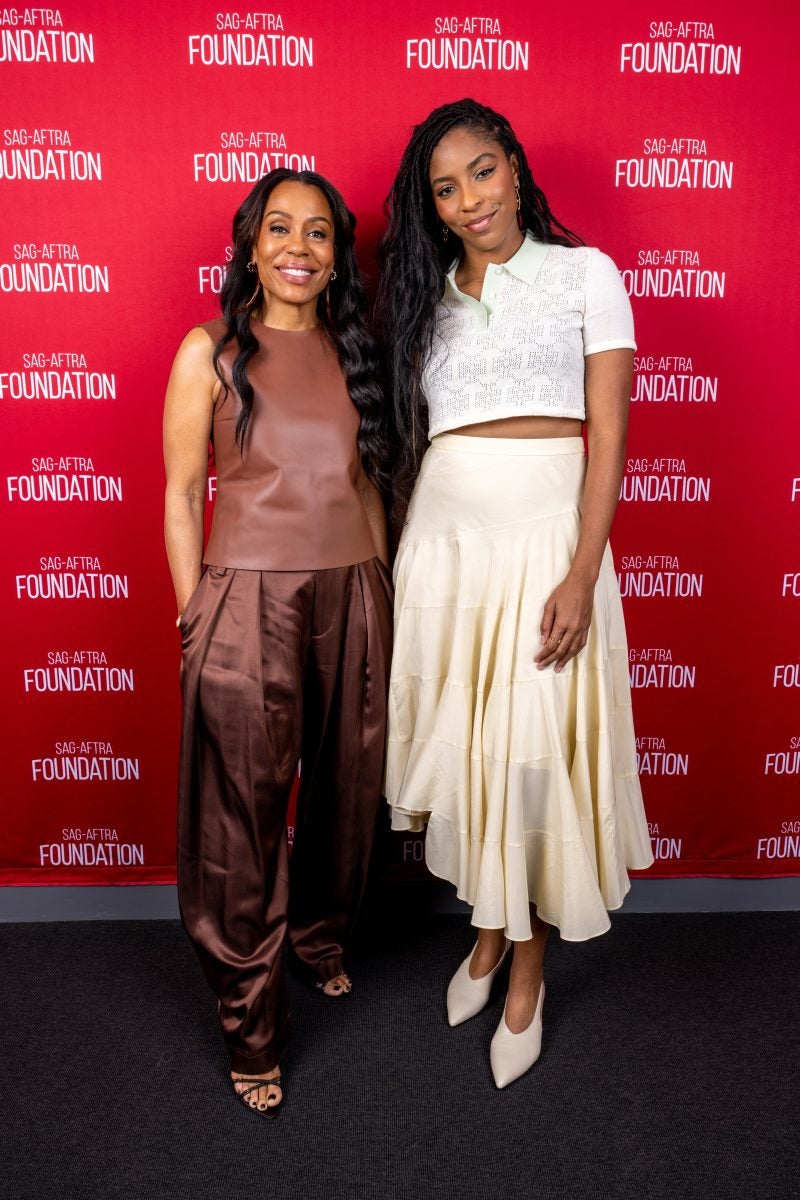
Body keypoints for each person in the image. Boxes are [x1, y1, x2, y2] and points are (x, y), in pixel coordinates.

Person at [377, 99, 653, 1088]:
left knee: (529, 760)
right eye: (445, 188)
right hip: (446, 549)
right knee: (472, 755)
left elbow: (607, 436)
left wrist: (581, 570)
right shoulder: (427, 300)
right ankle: (489, 932)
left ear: (515, 168)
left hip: (546, 543)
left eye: (482, 172)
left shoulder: (586, 275)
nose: (469, 200)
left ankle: (526, 967)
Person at [163, 169, 392, 1117]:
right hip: (245, 598)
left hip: (354, 590)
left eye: (320, 233)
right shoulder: (210, 350)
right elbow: (183, 493)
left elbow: (369, 486)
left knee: (348, 791)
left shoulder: (357, 351)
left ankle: (319, 938)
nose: (300, 246)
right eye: (280, 228)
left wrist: (383, 594)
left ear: (337, 255)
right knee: (240, 822)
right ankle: (251, 1028)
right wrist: (194, 613)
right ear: (251, 247)